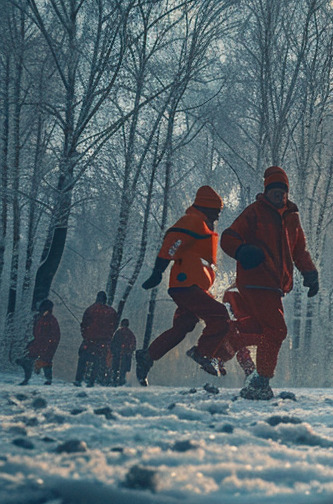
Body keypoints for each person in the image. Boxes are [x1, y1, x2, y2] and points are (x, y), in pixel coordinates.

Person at [219, 167, 319, 400]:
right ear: (266, 191)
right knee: (277, 329)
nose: (279, 194)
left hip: (275, 286)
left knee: (259, 331)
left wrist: (310, 273)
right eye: (274, 190)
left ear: (287, 192)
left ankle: (220, 349)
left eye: (282, 190)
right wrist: (242, 250)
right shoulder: (254, 212)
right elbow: (228, 237)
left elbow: (299, 250)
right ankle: (260, 382)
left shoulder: (292, 218)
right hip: (254, 280)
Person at [137, 186, 230, 384]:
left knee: (183, 326)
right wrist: (158, 271)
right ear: (206, 208)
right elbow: (173, 242)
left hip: (190, 286)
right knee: (220, 315)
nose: (217, 218)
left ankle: (147, 356)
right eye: (216, 213)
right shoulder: (193, 220)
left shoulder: (201, 224)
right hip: (187, 285)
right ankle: (202, 353)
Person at [76, 291, 118, 386]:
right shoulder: (111, 311)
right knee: (97, 360)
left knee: (82, 358)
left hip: (89, 339)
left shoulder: (90, 309)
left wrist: (85, 335)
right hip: (103, 341)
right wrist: (108, 336)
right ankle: (92, 381)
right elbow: (114, 326)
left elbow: (84, 324)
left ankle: (78, 379)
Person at [17, 300, 59, 385]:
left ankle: (48, 380)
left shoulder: (50, 320)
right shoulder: (40, 318)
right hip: (38, 343)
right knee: (30, 360)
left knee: (46, 361)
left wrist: (50, 344)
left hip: (46, 344)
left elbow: (55, 335)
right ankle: (28, 378)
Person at [110, 319, 136, 385]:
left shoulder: (118, 332)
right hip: (126, 353)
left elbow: (113, 342)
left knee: (115, 367)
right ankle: (122, 380)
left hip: (117, 352)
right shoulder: (130, 333)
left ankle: (114, 380)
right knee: (124, 369)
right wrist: (130, 350)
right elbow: (133, 344)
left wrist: (113, 350)